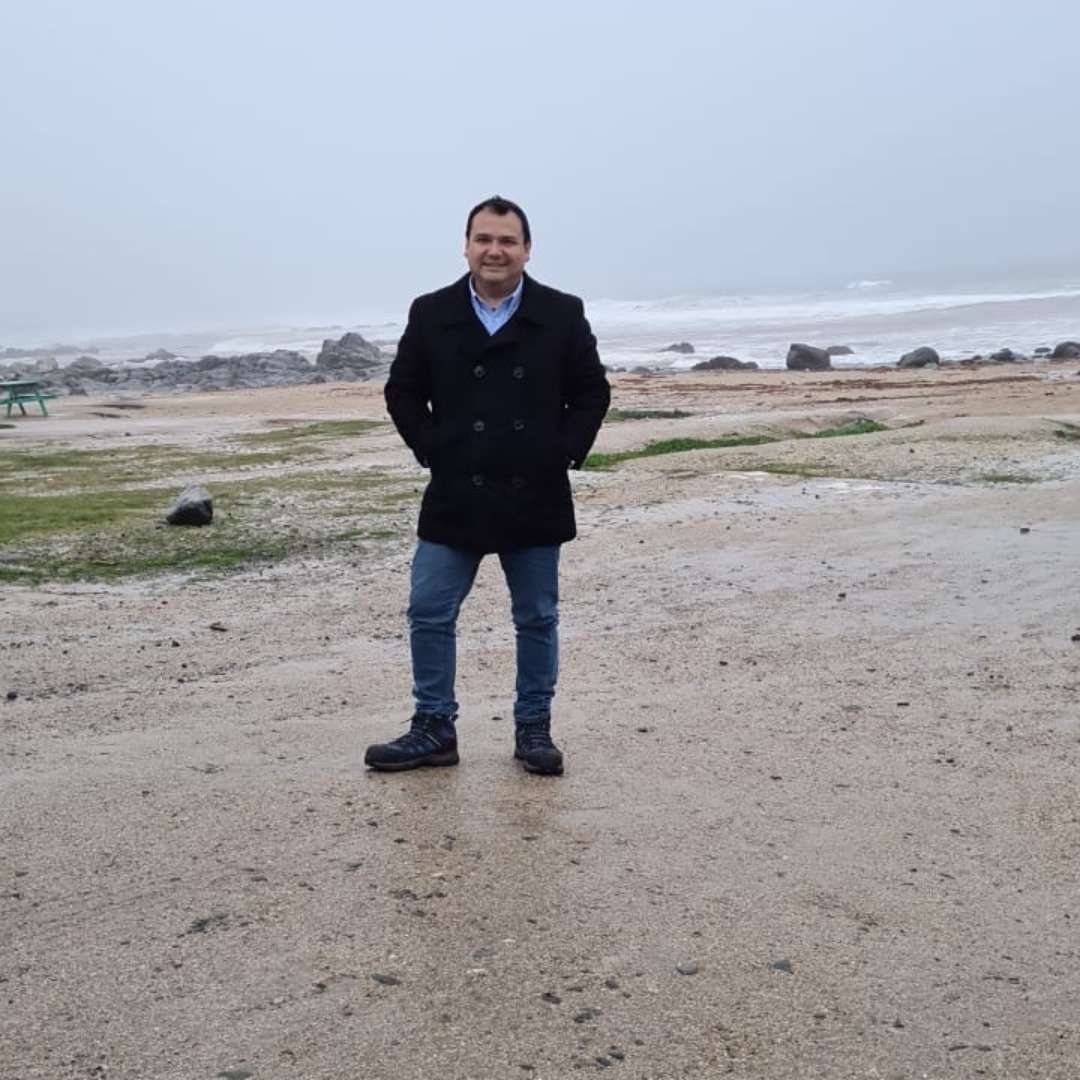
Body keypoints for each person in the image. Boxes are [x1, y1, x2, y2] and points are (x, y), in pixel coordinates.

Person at [365, 196, 610, 776]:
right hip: (458, 487)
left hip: (535, 488)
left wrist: (560, 451)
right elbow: (402, 391)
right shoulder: (431, 311)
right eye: (483, 239)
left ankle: (533, 728)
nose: (494, 250)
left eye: (506, 240)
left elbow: (591, 392)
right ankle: (434, 727)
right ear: (466, 246)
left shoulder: (562, 311)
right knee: (429, 610)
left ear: (527, 249)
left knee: (536, 617)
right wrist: (434, 447)